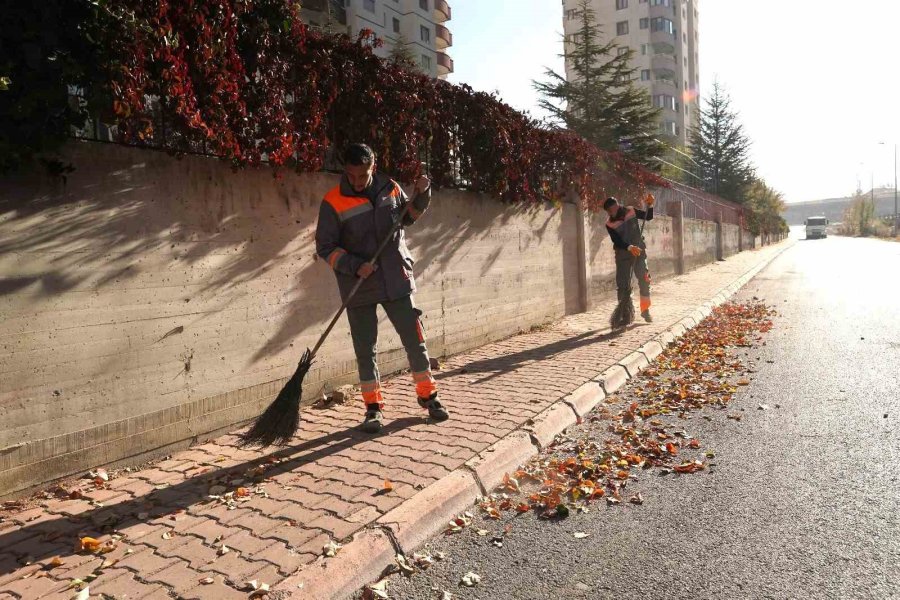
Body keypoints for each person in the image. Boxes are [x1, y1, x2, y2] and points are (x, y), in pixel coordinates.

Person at [315, 144, 449, 433]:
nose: (357, 181)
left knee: (414, 340)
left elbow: (408, 218)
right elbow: (325, 248)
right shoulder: (333, 202)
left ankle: (429, 397)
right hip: (360, 284)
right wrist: (353, 265)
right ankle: (372, 409)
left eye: (362, 175)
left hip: (395, 277)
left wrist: (422, 194)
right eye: (351, 175)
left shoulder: (390, 188)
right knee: (365, 349)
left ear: (373, 167)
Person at [603, 194, 656, 323]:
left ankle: (645, 310)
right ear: (608, 212)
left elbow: (648, 217)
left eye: (614, 209)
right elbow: (617, 241)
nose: (613, 213)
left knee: (644, 280)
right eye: (610, 211)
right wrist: (629, 247)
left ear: (618, 205)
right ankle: (624, 314)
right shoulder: (609, 224)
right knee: (623, 286)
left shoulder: (631, 211)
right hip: (623, 256)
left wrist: (650, 205)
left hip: (639, 253)